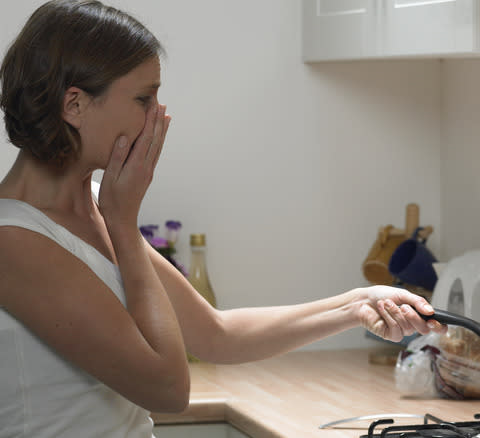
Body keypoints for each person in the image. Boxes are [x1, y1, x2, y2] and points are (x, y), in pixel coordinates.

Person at [0, 1, 445, 437]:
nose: (159, 115)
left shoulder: (97, 205)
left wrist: (355, 306)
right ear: (74, 105)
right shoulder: (14, 240)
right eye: (143, 98)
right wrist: (123, 224)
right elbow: (168, 388)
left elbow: (215, 334)